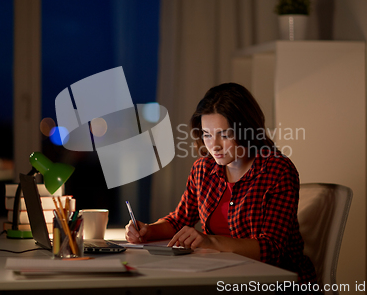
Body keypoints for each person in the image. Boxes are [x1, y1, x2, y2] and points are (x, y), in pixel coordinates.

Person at [125, 82, 317, 284]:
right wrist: (147, 231)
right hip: (223, 276)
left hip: (274, 282)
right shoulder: (203, 169)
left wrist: (211, 241)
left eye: (224, 135)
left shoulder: (277, 170)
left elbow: (272, 249)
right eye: (207, 134)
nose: (214, 145)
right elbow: (179, 220)